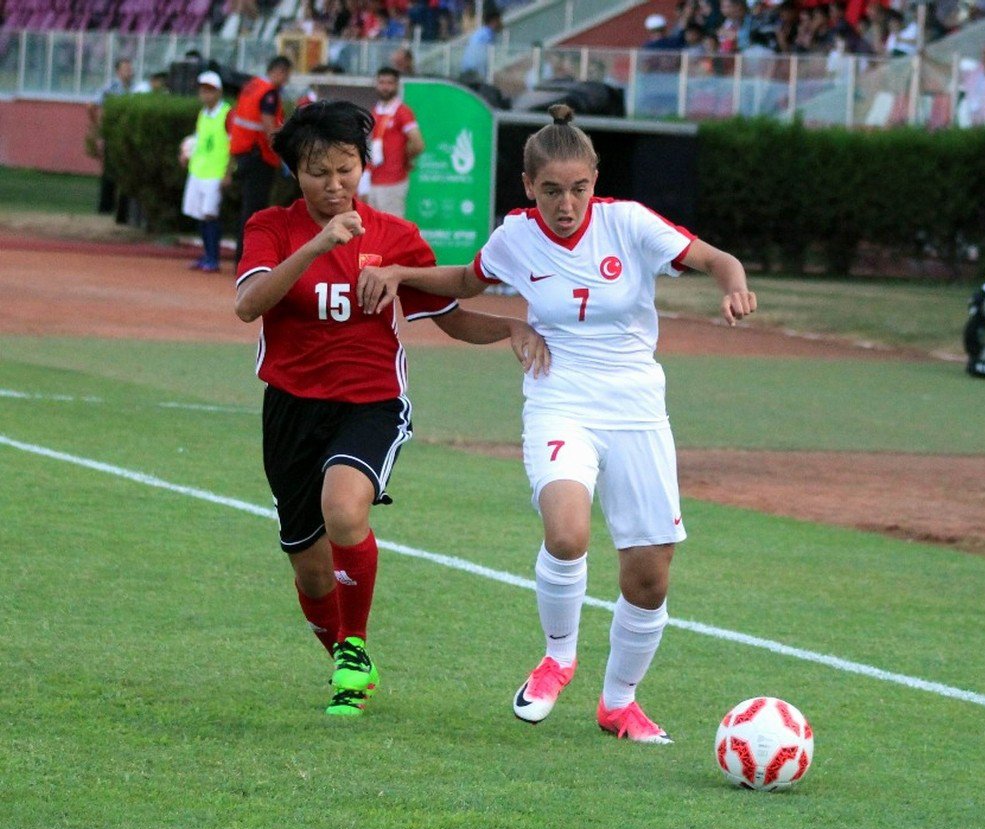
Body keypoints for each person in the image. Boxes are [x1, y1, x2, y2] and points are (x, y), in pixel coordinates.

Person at [358, 105, 756, 744]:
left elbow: (718, 259)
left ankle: (619, 704)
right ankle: (558, 658)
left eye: (578, 188)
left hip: (636, 408)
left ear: (595, 181)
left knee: (650, 575)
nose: (565, 204)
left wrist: (733, 287)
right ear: (528, 187)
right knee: (567, 534)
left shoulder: (629, 224)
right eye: (550, 190)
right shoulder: (515, 236)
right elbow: (465, 279)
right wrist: (401, 273)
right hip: (559, 397)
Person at [234, 100, 550, 718]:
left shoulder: (394, 238)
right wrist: (318, 243)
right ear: (295, 173)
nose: (334, 185)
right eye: (317, 172)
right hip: (291, 408)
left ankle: (354, 649)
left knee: (343, 507)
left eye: (345, 169)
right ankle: (348, 660)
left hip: (371, 403)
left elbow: (449, 316)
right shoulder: (271, 227)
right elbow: (250, 303)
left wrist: (510, 328)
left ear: (363, 166)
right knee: (310, 569)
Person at [229, 55, 293, 265]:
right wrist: (285, 154)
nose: (287, 81)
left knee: (247, 209)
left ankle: (242, 257)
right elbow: (269, 127)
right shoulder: (269, 94)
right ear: (280, 71)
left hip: (243, 153)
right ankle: (246, 260)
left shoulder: (252, 86)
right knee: (254, 211)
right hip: (260, 157)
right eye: (287, 75)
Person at [179, 71, 233, 273]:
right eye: (203, 91)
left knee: (211, 215)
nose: (205, 95)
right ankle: (207, 255)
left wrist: (228, 172)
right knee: (201, 215)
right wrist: (187, 154)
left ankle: (213, 257)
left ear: (218, 92)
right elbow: (199, 139)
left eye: (209, 91)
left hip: (215, 172)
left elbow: (232, 144)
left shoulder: (227, 114)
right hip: (198, 170)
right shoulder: (203, 114)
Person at [365, 66, 425, 219]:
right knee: (373, 228)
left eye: (389, 83)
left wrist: (404, 158)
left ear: (397, 85)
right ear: (376, 84)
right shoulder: (375, 111)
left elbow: (418, 143)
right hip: (373, 179)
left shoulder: (402, 111)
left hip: (393, 180)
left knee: (392, 228)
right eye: (382, 82)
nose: (385, 87)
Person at [89, 57, 135, 222]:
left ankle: (122, 211)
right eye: (125, 69)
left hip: (128, 137)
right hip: (112, 136)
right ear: (118, 71)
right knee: (109, 173)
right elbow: (92, 106)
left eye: (130, 69)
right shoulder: (110, 89)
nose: (129, 72)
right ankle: (105, 208)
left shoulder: (135, 90)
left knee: (126, 174)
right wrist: (99, 129)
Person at [459, 7, 502, 81]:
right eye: (499, 20)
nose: (501, 23)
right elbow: (482, 58)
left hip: (467, 70)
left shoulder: (481, 32)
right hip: (473, 73)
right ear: (494, 21)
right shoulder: (487, 35)